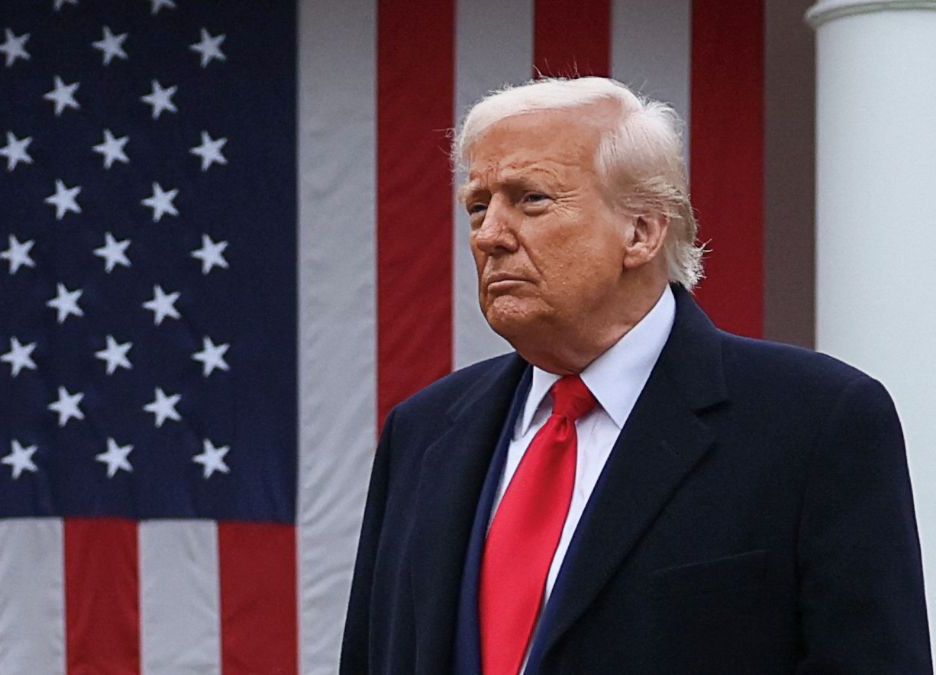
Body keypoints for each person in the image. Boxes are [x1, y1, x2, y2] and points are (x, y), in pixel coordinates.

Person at [340, 77, 931, 674]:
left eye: (531, 199)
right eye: (477, 205)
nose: (490, 235)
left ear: (642, 231)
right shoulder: (421, 433)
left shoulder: (816, 422)